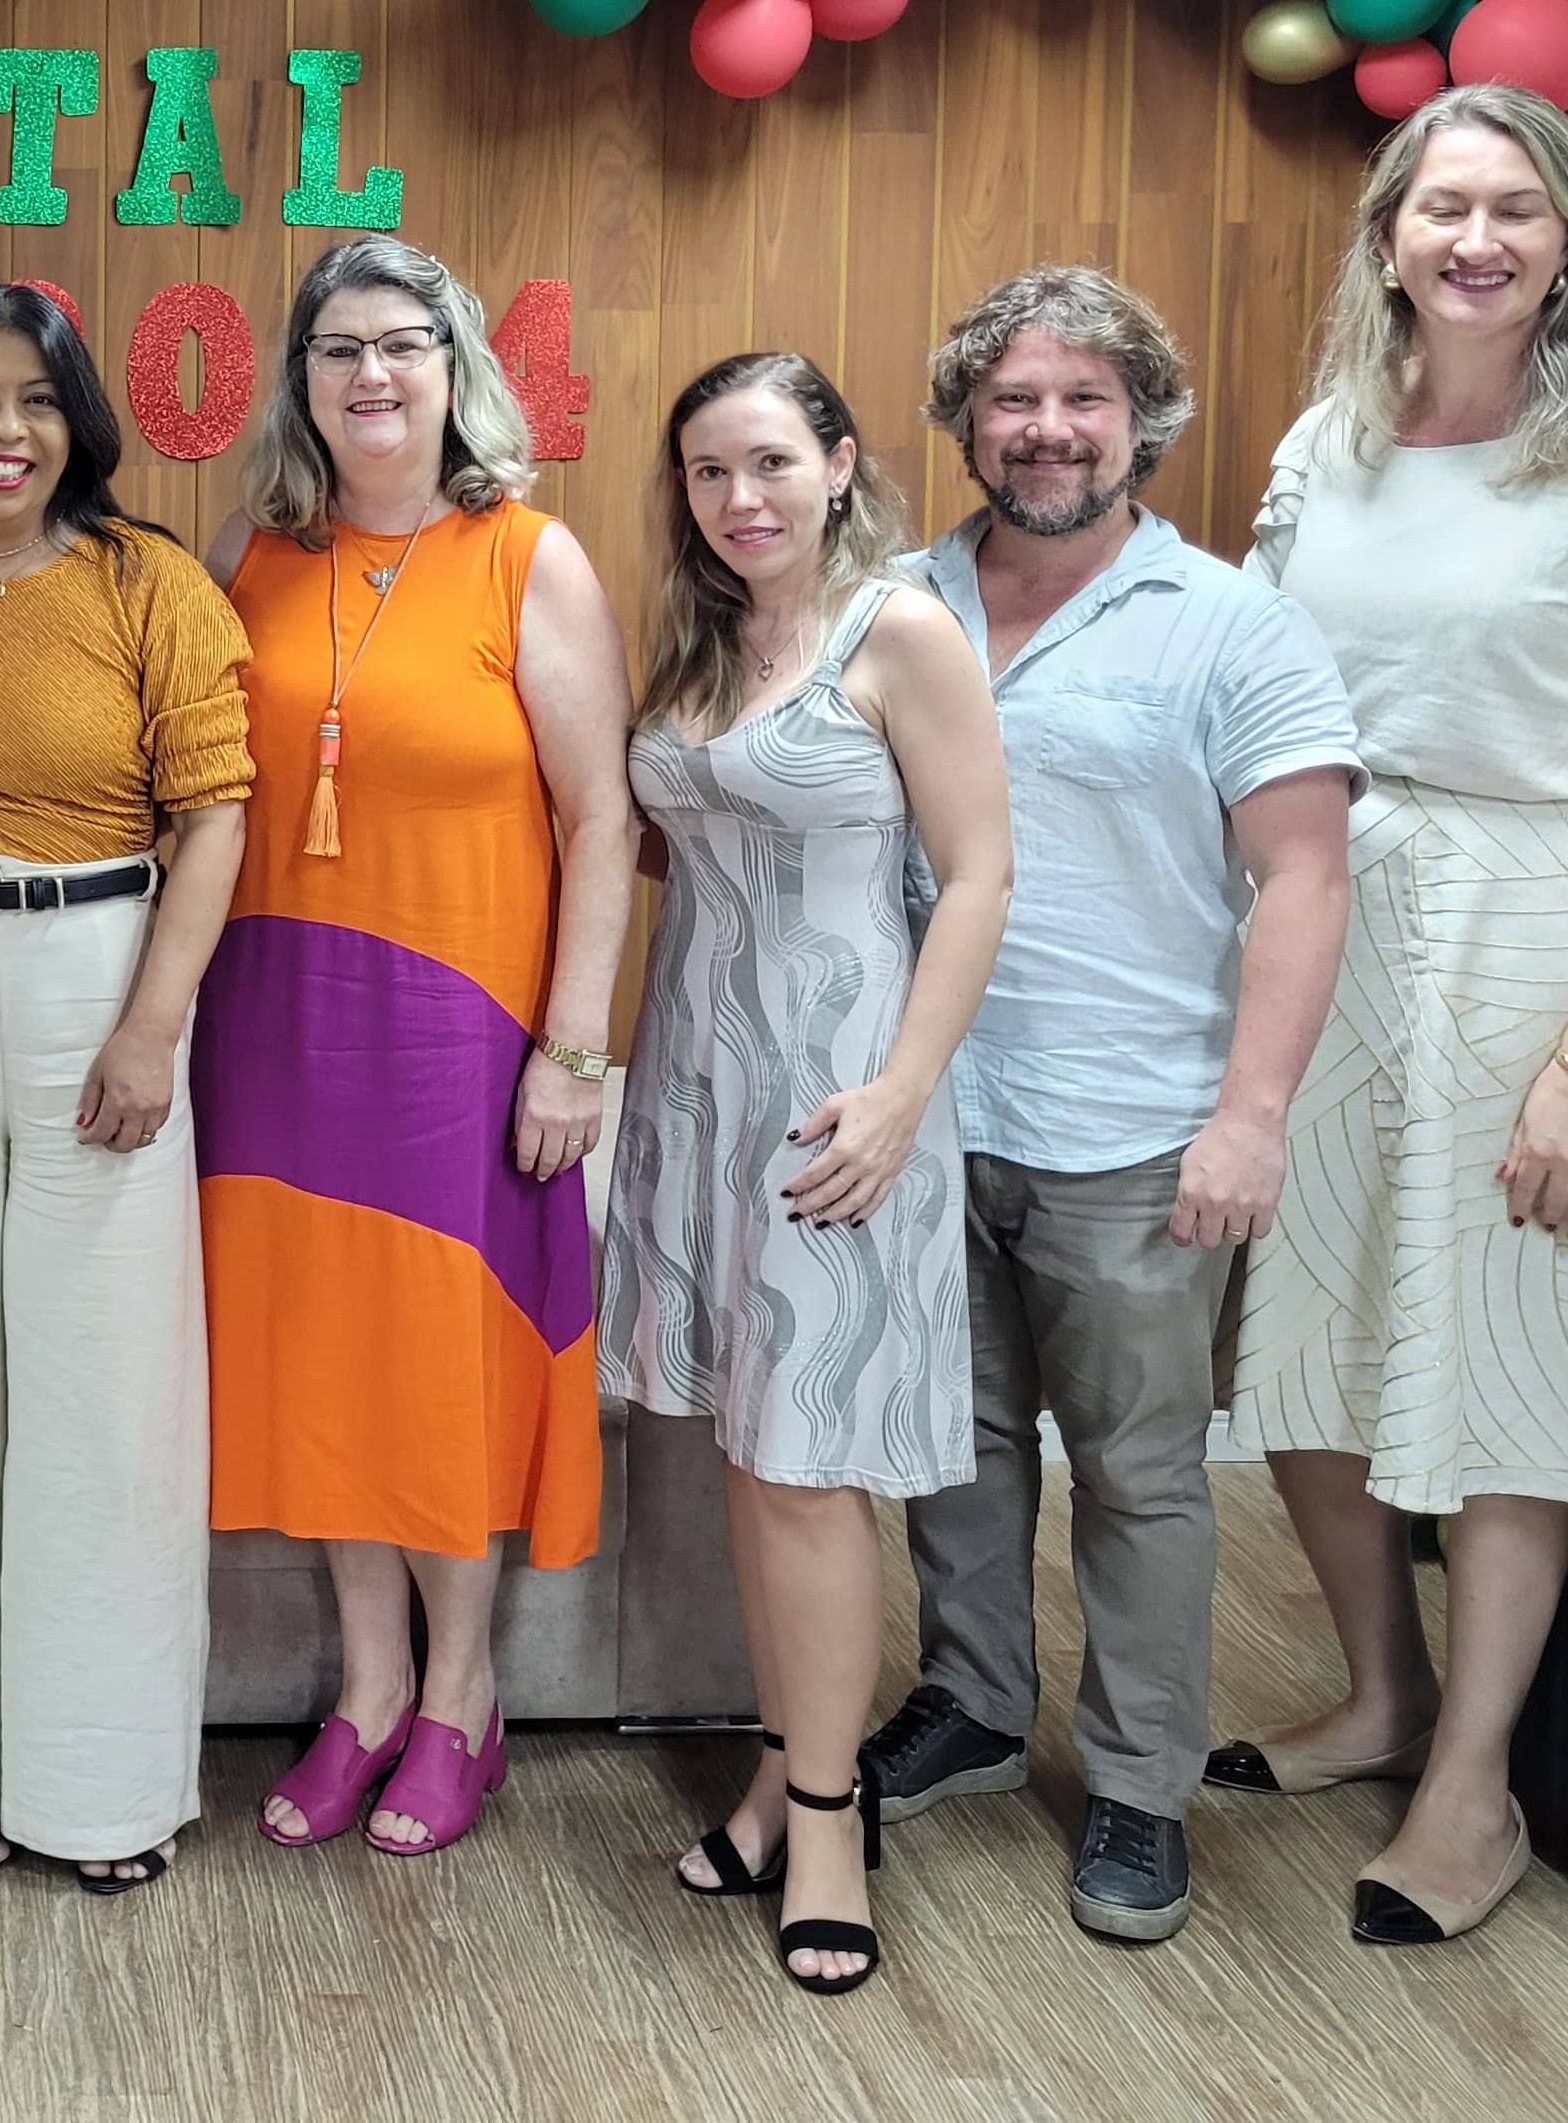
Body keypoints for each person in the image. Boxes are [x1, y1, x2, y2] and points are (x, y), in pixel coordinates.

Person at [1214, 83, 1568, 1947]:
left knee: (1509, 1360)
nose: (1475, 241)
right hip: (1332, 924)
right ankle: (1380, 1693)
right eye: (1441, 206)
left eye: (1515, 213)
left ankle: (1473, 1790)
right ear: (1389, 234)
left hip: (1538, 925)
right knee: (1302, 1333)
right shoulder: (1336, 437)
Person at [862, 266, 1362, 1946]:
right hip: (931, 1113)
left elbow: (1300, 879)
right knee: (959, 1445)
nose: (1049, 429)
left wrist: (1253, 1115)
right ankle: (979, 1707)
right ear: (966, 421)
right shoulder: (893, 597)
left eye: (1084, 399)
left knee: (1143, 1478)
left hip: (1136, 1127)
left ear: (1141, 418)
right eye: (1014, 398)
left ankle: (1140, 1789)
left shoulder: (1227, 619)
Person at [197, 236, 634, 1859]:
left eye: (403, 346)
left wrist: (571, 1052)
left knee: (441, 1367)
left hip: (460, 1034)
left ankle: (464, 1697)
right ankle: (367, 1691)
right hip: (277, 1019)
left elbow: (601, 817)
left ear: (458, 374)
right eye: (336, 352)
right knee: (326, 1360)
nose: (370, 376)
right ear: (300, 383)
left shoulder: (531, 557)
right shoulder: (252, 547)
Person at [602, 352, 1012, 1994]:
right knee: (750, 1461)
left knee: (810, 1468)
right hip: (695, 1091)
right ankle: (785, 1764)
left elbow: (979, 876)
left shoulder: (899, 629)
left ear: (841, 464)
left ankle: (833, 1819)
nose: (740, 499)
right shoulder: (704, 644)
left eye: (771, 462)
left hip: (837, 1109)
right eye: (709, 473)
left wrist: (906, 1093)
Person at [0, 282, 254, 1894]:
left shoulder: (149, 584)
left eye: (36, 398)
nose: (3, 429)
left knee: (105, 1394)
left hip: (101, 966)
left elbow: (213, 810)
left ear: (80, 417)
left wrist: (155, 1026)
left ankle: (101, 1793)